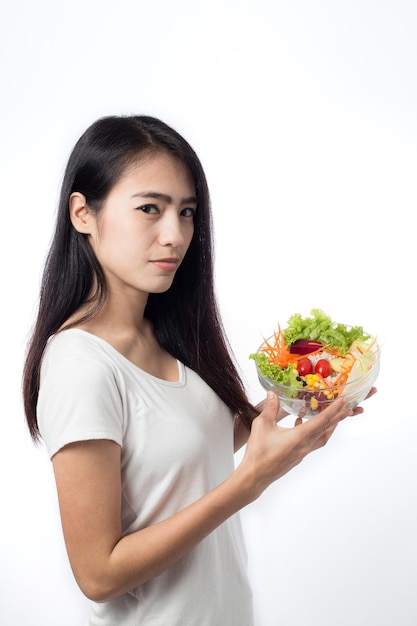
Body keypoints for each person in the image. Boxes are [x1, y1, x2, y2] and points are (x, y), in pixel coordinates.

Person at [22, 115, 375, 626]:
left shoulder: (161, 334)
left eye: (186, 212)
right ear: (83, 213)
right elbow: (97, 574)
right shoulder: (80, 365)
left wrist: (302, 409)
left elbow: (182, 443)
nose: (176, 235)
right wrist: (248, 483)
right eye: (150, 209)